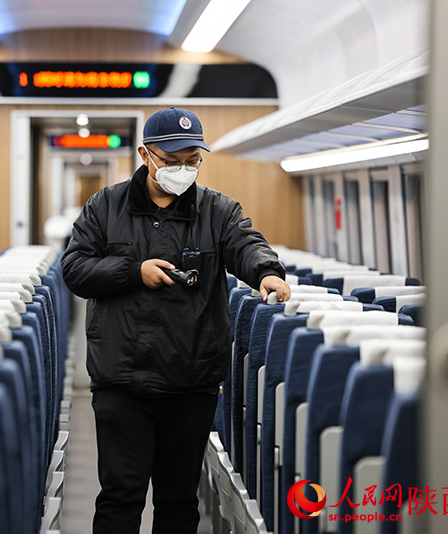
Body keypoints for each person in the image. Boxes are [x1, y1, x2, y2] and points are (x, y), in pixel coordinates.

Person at [61, 108, 291, 534]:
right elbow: (75, 269)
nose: (182, 169)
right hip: (121, 379)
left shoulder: (218, 210)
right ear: (145, 155)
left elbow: (246, 243)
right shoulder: (105, 205)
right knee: (120, 496)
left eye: (192, 160)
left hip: (191, 379)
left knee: (179, 500)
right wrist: (133, 271)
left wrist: (267, 271)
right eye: (172, 160)